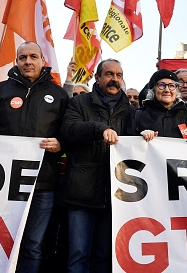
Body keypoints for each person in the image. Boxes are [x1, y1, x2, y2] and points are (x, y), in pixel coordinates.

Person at [0, 42, 69, 273]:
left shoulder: (59, 94)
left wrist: (61, 143)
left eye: (33, 56)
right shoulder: (0, 90)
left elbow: (68, 131)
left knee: (33, 245)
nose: (28, 61)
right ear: (16, 61)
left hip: (43, 183)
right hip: (2, 181)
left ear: (43, 60)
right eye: (22, 57)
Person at [60, 58, 135, 273]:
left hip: (114, 194)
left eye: (119, 76)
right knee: (78, 254)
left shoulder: (130, 110)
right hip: (81, 192)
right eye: (109, 74)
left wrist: (147, 136)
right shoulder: (78, 103)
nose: (114, 79)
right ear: (98, 77)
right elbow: (69, 130)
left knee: (104, 255)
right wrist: (99, 128)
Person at [135, 69, 187, 141]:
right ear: (153, 90)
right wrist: (139, 136)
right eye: (161, 85)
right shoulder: (139, 115)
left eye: (171, 86)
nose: (167, 90)